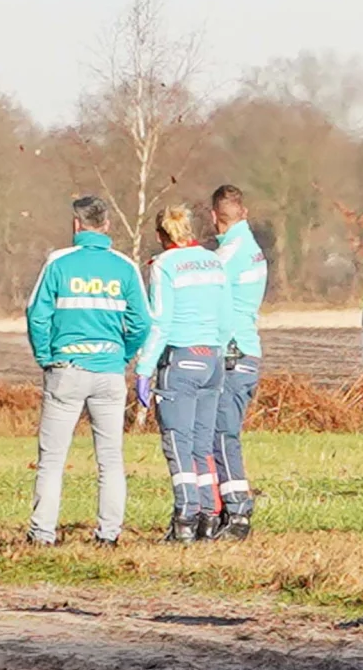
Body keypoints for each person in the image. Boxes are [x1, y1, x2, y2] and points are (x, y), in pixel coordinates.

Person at [25, 197, 151, 546]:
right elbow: (142, 322)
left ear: (76, 225)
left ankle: (42, 533)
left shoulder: (58, 262)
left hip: (66, 368)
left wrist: (45, 356)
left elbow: (36, 314)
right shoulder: (125, 267)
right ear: (106, 225)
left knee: (52, 459)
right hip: (109, 371)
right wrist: (123, 355)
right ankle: (108, 534)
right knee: (110, 459)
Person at [137, 205, 234, 541]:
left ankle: (185, 519)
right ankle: (209, 514)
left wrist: (144, 369)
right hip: (213, 360)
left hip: (180, 359)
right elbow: (227, 318)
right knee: (202, 443)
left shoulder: (164, 265)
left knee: (177, 442)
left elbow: (160, 322)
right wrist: (217, 350)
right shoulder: (213, 261)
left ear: (160, 235)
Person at [207, 184, 268, 537]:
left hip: (233, 355)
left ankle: (237, 510)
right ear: (243, 213)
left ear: (214, 216)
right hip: (248, 350)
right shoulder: (251, 247)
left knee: (222, 433)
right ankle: (225, 508)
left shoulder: (226, 256)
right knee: (224, 433)